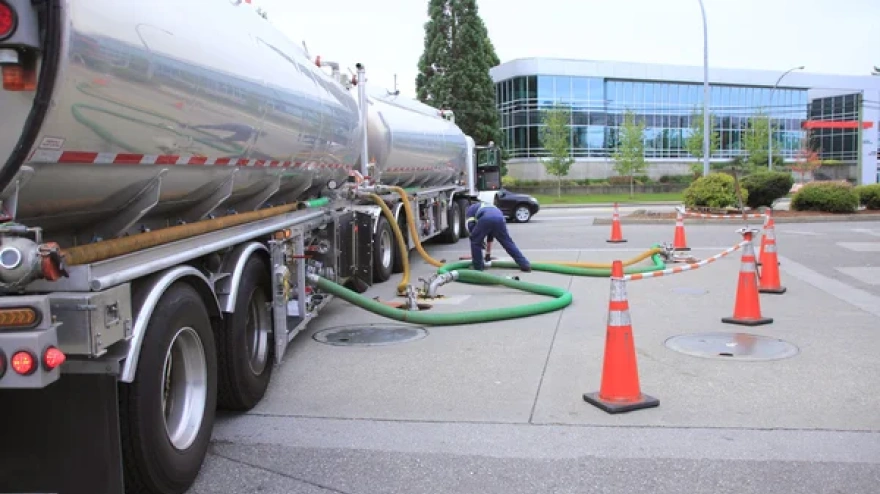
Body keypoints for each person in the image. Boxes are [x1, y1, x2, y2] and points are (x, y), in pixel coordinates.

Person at [465, 199, 531, 272]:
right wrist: (488, 254)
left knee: (475, 242)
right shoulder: (490, 206)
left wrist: (478, 239)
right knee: (507, 242)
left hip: (486, 218)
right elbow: (490, 236)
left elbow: (471, 226)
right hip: (500, 218)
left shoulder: (471, 209)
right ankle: (525, 264)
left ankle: (478, 268)